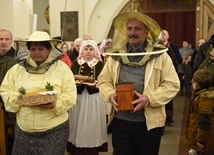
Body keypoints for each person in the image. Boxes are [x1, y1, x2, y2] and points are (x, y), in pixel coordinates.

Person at [98, 12, 180, 155]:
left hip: (149, 124)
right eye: (129, 29)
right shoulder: (116, 55)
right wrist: (110, 94)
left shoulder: (160, 56)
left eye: (137, 29)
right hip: (121, 122)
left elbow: (172, 85)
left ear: (146, 31)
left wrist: (149, 98)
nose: (132, 33)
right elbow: (104, 81)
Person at [0, 31, 77, 155]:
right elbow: (5, 90)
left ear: (49, 49)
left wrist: (55, 104)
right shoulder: (17, 69)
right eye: (33, 48)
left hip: (54, 129)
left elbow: (70, 95)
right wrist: (19, 100)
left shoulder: (62, 69)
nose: (36, 52)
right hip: (24, 130)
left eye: (41, 49)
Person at [67, 40, 108, 155]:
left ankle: (92, 148)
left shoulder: (100, 64)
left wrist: (98, 83)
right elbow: (70, 79)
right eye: (86, 49)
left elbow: (105, 81)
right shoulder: (76, 63)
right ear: (82, 51)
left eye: (91, 49)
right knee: (78, 123)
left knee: (91, 123)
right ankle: (77, 148)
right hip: (79, 99)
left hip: (93, 99)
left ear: (95, 51)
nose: (88, 52)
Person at [184, 69, 214, 155]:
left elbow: (204, 122)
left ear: (196, 84)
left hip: (205, 140)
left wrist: (201, 140)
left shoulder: (205, 99)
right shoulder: (200, 96)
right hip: (200, 137)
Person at [159, 29, 182, 126]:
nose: (163, 35)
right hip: (159, 75)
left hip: (169, 73)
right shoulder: (156, 47)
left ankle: (169, 117)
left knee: (167, 97)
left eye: (165, 34)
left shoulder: (172, 46)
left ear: (168, 36)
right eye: (162, 34)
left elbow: (178, 60)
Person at [0, 29, 17, 155]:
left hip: (11, 105)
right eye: (1, 39)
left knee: (16, 137)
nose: (3, 42)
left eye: (7, 39)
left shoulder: (17, 59)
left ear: (11, 41)